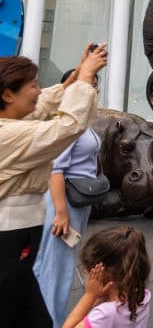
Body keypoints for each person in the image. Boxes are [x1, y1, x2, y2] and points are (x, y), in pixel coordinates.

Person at [0, 44, 107, 328]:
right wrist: (84, 80)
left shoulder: (11, 118)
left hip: (19, 238)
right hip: (9, 242)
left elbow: (42, 104)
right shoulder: (10, 134)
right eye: (33, 85)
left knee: (34, 316)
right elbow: (67, 127)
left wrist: (72, 81)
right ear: (8, 94)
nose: (39, 90)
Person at [33, 70, 103, 327]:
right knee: (57, 270)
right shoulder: (68, 123)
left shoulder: (82, 121)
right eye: (88, 83)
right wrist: (61, 213)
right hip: (63, 204)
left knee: (52, 264)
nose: (93, 88)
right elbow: (56, 169)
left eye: (95, 83)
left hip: (76, 202)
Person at [62, 225, 151, 328]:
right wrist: (99, 298)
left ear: (103, 273)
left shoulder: (105, 314)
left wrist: (89, 296)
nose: (85, 272)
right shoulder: (142, 294)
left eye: (88, 272)